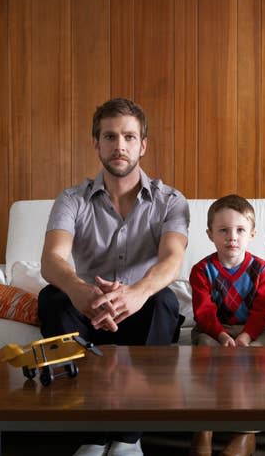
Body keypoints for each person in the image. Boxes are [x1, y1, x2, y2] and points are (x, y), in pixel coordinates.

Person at [38, 97, 190, 456]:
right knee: (51, 298)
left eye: (129, 137)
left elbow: (172, 260)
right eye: (109, 137)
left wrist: (135, 293)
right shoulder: (71, 199)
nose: (119, 146)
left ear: (143, 144)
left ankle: (126, 438)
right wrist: (80, 291)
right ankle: (91, 437)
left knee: (165, 301)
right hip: (85, 312)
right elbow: (52, 258)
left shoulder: (171, 200)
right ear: (96, 144)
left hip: (139, 311)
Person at [188, 194, 265, 456]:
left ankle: (245, 433)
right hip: (214, 328)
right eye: (223, 230)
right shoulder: (202, 270)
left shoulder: (263, 270)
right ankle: (203, 431)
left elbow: (262, 311)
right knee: (205, 351)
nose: (232, 237)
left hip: (252, 329)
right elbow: (203, 312)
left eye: (240, 230)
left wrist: (247, 337)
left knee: (261, 356)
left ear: (252, 234)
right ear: (210, 234)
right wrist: (222, 335)